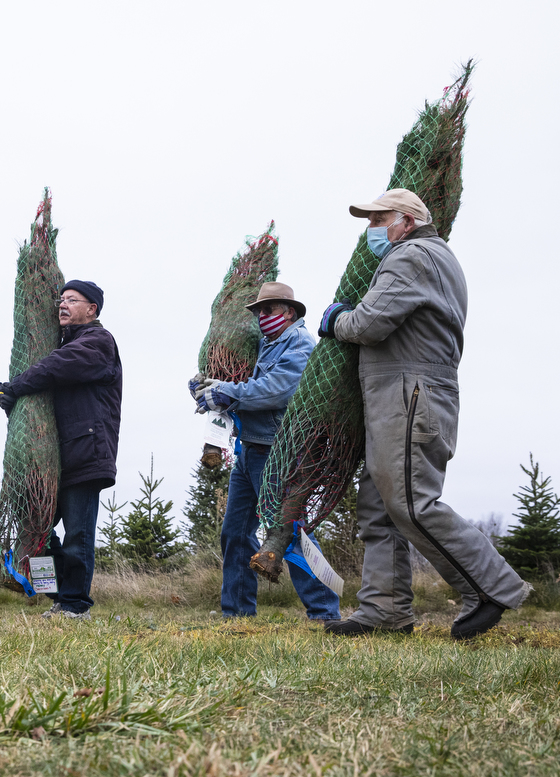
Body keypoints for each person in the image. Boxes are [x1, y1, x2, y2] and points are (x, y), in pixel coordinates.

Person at [318, 188, 531, 639]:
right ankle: (385, 610)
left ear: (408, 221)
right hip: (397, 395)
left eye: (380, 219)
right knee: (379, 508)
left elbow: (368, 324)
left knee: (412, 502)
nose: (373, 229)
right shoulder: (432, 255)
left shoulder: (412, 255)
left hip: (409, 395)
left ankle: (489, 586)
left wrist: (336, 318)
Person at [189, 282, 340, 622]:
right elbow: (242, 383)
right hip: (251, 450)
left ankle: (325, 612)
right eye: (258, 311)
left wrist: (227, 391)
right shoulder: (264, 345)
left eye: (267, 310)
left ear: (288, 312)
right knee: (236, 532)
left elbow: (278, 390)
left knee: (288, 531)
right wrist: (207, 386)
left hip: (279, 450)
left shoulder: (298, 344)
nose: (260, 317)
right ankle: (238, 613)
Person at [0, 280, 122, 621]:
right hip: (54, 456)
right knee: (34, 531)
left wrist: (15, 387)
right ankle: (59, 595)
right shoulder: (60, 344)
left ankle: (75, 605)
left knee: (78, 534)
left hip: (86, 452)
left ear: (92, 308)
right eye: (61, 299)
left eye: (72, 299)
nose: (62, 304)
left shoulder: (97, 342)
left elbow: (57, 367)